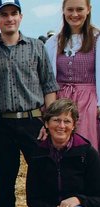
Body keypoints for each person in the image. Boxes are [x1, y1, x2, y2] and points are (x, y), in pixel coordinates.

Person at [0, 0, 59, 207]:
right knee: (4, 180)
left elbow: (49, 86)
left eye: (14, 13)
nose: (9, 18)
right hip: (2, 123)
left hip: (33, 121)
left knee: (40, 177)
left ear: (21, 17)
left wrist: (49, 122)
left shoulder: (37, 47)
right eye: (4, 14)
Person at [17, 99, 100, 207]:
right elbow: (32, 200)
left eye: (67, 121)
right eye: (56, 120)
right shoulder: (38, 154)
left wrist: (78, 200)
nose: (61, 126)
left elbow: (98, 197)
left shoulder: (87, 153)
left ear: (74, 124)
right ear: (46, 123)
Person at [45, 0, 99, 151]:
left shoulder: (97, 39)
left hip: (88, 101)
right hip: (60, 99)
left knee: (84, 145)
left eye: (79, 9)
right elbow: (49, 78)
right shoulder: (54, 41)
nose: (74, 14)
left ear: (88, 10)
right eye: (70, 10)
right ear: (63, 10)